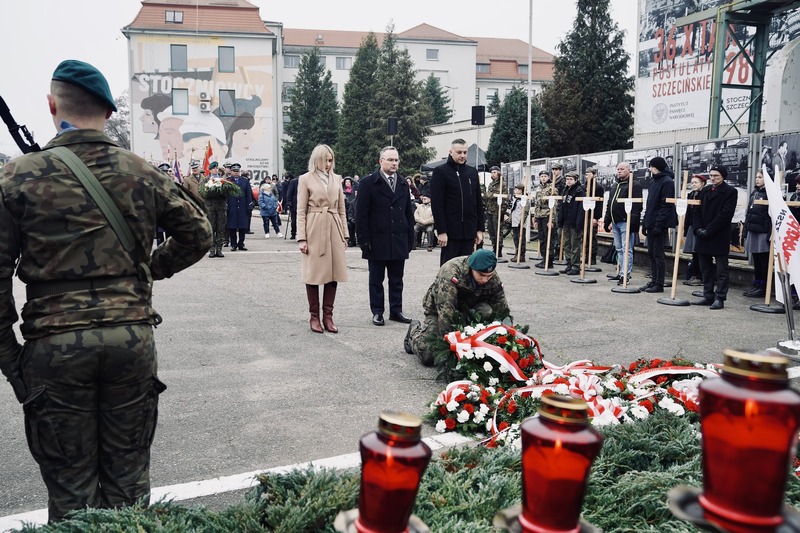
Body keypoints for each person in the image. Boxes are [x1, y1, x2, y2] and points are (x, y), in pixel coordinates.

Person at [0, 59, 212, 522]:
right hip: (130, 341)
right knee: (129, 485)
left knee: (71, 494)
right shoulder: (141, 170)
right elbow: (198, 233)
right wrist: (149, 270)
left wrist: (10, 360)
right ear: (109, 112)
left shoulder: (16, 177)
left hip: (54, 346)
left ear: (52, 105)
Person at [403, 249, 510, 367]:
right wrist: (453, 350)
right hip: (439, 313)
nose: (485, 279)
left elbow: (502, 310)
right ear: (472, 268)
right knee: (428, 355)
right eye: (481, 275)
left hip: (469, 312)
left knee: (487, 311)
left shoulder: (492, 277)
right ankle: (413, 333)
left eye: (489, 276)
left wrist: (507, 342)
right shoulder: (451, 272)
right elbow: (446, 313)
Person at [355, 146, 415, 326]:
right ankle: (377, 312)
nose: (394, 163)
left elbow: (408, 213)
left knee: (397, 279)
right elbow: (361, 214)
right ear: (381, 161)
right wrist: (363, 240)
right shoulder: (368, 183)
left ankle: (396, 310)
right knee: (376, 279)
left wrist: (409, 238)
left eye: (396, 160)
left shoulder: (403, 183)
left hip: (398, 238)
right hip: (377, 239)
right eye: (390, 160)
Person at [297, 145, 349, 333]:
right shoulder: (305, 179)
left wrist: (345, 234)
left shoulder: (336, 178)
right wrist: (301, 238)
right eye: (325, 160)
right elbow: (300, 211)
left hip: (334, 227)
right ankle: (314, 317)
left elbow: (342, 209)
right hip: (314, 227)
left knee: (333, 273)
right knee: (313, 273)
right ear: (317, 159)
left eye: (330, 160)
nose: (328, 164)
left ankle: (328, 316)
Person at [431, 138, 484, 266]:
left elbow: (478, 202)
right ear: (451, 152)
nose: (462, 155)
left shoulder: (472, 172)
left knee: (467, 268)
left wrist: (479, 229)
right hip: (450, 231)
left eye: (465, 152)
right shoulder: (440, 172)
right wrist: (441, 231)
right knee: (449, 269)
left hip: (469, 231)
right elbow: (437, 204)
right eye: (459, 152)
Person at [691, 165, 738, 310]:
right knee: (705, 269)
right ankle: (708, 295)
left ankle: (720, 298)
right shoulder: (705, 191)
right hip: (702, 234)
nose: (713, 178)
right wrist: (698, 228)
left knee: (721, 270)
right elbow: (696, 211)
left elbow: (725, 214)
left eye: (716, 176)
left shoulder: (730, 191)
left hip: (718, 234)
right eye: (711, 175)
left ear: (723, 176)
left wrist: (709, 230)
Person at [640, 157, 677, 293]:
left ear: (656, 167)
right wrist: (645, 223)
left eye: (651, 166)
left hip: (659, 223)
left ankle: (659, 283)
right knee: (651, 253)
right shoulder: (653, 181)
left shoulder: (667, 181)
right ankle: (653, 280)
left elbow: (665, 205)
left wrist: (658, 224)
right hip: (651, 222)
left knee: (658, 254)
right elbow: (650, 204)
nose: (650, 169)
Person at [604, 162, 643, 285]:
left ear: (628, 170)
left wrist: (633, 222)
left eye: (622, 169)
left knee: (627, 249)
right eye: (618, 169)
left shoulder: (634, 185)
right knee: (619, 248)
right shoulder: (616, 185)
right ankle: (621, 272)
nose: (619, 171)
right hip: (615, 221)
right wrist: (607, 220)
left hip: (626, 221)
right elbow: (610, 203)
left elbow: (637, 206)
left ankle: (626, 274)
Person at [743, 170, 770, 298]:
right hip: (753, 230)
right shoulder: (755, 193)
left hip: (763, 231)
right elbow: (749, 213)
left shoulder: (769, 193)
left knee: (763, 260)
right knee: (756, 260)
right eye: (756, 177)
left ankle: (763, 286)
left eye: (760, 177)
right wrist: (745, 230)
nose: (757, 179)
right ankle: (757, 283)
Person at [557, 171, 585, 275]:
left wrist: (579, 222)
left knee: (575, 244)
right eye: (567, 179)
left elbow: (581, 209)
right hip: (566, 221)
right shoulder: (565, 190)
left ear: (576, 180)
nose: (568, 181)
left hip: (574, 221)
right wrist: (560, 221)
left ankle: (575, 266)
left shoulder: (579, 190)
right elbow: (562, 205)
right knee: (566, 244)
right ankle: (569, 263)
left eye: (571, 179)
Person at [682, 174, 707, 286]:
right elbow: (688, 213)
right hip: (692, 226)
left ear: (702, 183)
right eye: (692, 183)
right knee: (694, 252)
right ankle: (695, 274)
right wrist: (686, 228)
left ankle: (700, 276)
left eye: (696, 182)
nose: (693, 185)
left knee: (700, 253)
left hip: (700, 227)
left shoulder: (704, 195)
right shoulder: (691, 195)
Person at [226, 163, 253, 251]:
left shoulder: (245, 181)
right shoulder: (228, 181)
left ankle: (241, 243)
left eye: (237, 171)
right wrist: (226, 205)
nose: (236, 173)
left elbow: (249, 194)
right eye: (234, 171)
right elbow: (225, 194)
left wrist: (249, 204)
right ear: (231, 172)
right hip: (232, 206)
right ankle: (233, 244)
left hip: (242, 206)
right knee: (232, 227)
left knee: (242, 226)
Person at [483, 165, 507, 259]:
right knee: (491, 230)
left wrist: (503, 210)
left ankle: (499, 249)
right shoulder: (491, 184)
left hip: (497, 210)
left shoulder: (502, 184)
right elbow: (487, 196)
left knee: (497, 230)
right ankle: (494, 246)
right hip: (490, 209)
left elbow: (505, 198)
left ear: (498, 173)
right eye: (492, 172)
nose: (493, 174)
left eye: (495, 172)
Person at [532, 170, 555, 269]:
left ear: (548, 177)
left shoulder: (552, 188)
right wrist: (535, 218)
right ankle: (544, 258)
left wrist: (552, 220)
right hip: (540, 216)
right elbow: (537, 204)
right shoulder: (538, 188)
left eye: (545, 176)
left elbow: (554, 205)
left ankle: (549, 260)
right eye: (541, 176)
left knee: (548, 239)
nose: (543, 178)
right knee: (541, 239)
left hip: (547, 215)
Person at [583, 167, 605, 267]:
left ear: (594, 175)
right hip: (584, 214)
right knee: (585, 237)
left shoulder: (598, 188)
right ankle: (585, 256)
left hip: (592, 215)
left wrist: (596, 217)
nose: (587, 175)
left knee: (591, 236)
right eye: (586, 173)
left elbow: (599, 204)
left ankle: (592, 257)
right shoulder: (583, 187)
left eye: (589, 173)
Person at [509, 184, 530, 262]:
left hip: (520, 222)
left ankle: (521, 255)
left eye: (517, 189)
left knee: (521, 239)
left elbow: (525, 212)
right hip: (514, 222)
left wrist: (522, 221)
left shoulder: (524, 199)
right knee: (516, 239)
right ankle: (517, 253)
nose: (515, 191)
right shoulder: (515, 199)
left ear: (521, 190)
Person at [342, 177, 357, 247]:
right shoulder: (343, 192)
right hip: (348, 212)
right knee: (349, 224)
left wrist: (352, 179)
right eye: (346, 182)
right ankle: (351, 240)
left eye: (349, 182)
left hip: (353, 209)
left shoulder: (354, 190)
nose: (347, 183)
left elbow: (358, 185)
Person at [285, 172, 299, 240]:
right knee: (294, 220)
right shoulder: (294, 182)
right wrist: (289, 202)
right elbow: (289, 192)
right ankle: (293, 233)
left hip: (304, 204)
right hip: (294, 204)